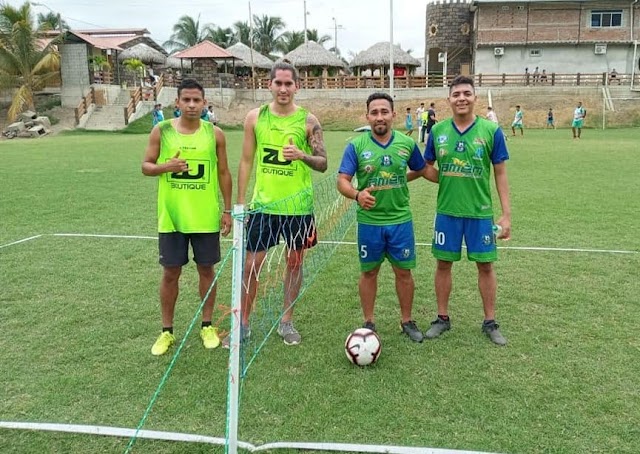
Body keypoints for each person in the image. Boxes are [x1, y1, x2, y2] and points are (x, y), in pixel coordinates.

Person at [232, 62, 328, 346]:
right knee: (251, 265)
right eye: (278, 83)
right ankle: (244, 325)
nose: (283, 88)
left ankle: (287, 322)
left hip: (298, 209)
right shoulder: (254, 117)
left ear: (297, 86)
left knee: (295, 263)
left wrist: (301, 155)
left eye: (289, 83)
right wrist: (240, 203)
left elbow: (322, 163)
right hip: (264, 207)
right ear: (269, 84)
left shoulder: (309, 121)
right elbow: (246, 161)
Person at [142, 78, 233, 356]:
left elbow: (223, 173)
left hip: (205, 216)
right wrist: (166, 166)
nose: (192, 105)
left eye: (197, 100)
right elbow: (146, 166)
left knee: (206, 270)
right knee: (171, 272)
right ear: (177, 103)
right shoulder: (162, 131)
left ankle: (207, 326)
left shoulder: (214, 133)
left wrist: (227, 210)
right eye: (187, 100)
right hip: (172, 218)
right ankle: (166, 332)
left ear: (204, 103)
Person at [337, 92, 436, 342]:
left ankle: (406, 321)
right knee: (369, 272)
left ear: (393, 114)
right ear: (367, 116)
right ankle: (369, 321)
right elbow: (342, 181)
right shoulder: (356, 146)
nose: (379, 117)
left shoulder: (406, 144)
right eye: (374, 112)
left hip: (400, 220)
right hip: (369, 223)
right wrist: (357, 195)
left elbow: (422, 169)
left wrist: (451, 179)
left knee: (403, 272)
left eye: (384, 111)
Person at [422, 75, 512, 346]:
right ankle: (442, 318)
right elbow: (426, 166)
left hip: (480, 213)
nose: (461, 98)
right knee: (443, 264)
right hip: (447, 212)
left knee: (485, 265)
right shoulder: (437, 132)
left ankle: (490, 321)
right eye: (456, 94)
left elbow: (500, 173)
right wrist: (448, 176)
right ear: (449, 99)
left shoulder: (490, 131)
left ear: (475, 98)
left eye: (466, 93)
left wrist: (506, 214)